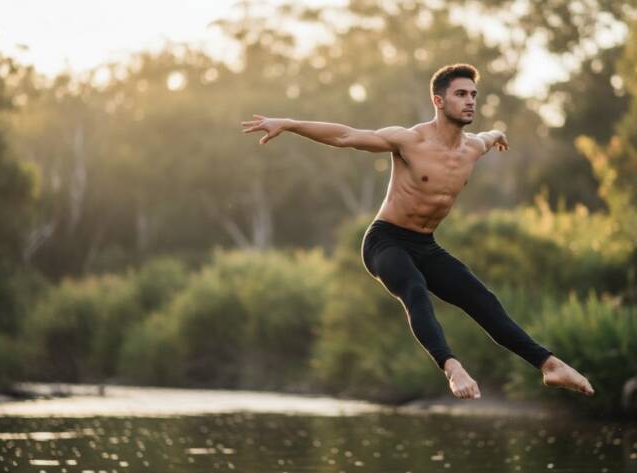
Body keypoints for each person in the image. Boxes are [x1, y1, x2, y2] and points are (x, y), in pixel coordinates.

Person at [241, 63, 594, 400]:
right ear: (439, 101)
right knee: (415, 289)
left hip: (425, 245)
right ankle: (452, 367)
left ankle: (550, 365)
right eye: (460, 94)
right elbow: (346, 135)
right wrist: (287, 123)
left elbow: (490, 135)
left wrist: (499, 134)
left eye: (473, 94)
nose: (470, 100)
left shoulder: (473, 146)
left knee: (482, 300)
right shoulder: (410, 140)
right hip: (385, 241)